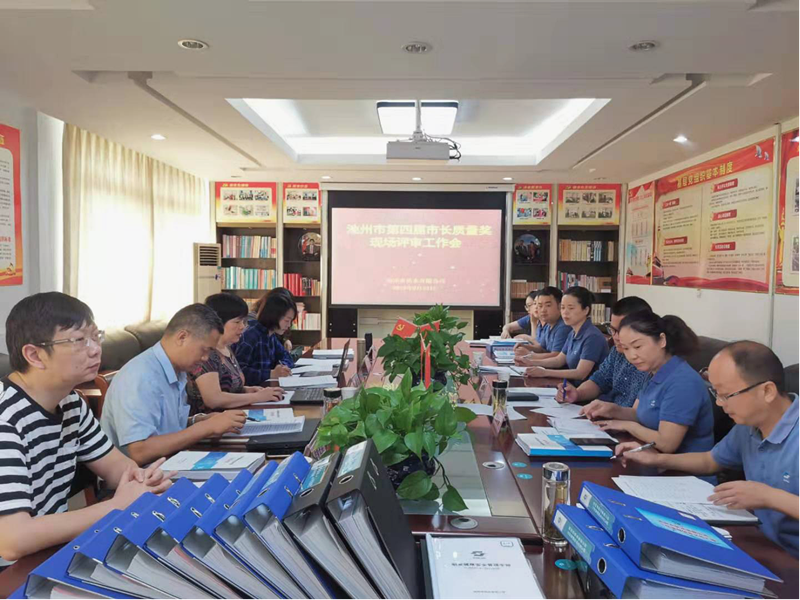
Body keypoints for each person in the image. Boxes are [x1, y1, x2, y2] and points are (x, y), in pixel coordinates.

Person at [0, 293, 173, 562]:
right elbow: (12, 540)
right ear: (34, 355)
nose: (95, 350)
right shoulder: (6, 418)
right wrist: (116, 506)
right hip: (11, 569)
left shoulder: (70, 402)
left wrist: (145, 482)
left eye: (95, 336)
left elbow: (119, 470)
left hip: (48, 553)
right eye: (79, 340)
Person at [616, 341, 800, 558]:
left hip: (790, 559)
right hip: (759, 544)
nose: (719, 404)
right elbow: (710, 460)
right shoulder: (748, 425)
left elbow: (767, 496)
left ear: (767, 391)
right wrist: (658, 459)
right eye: (716, 393)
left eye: (726, 395)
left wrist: (768, 496)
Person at [101, 304, 247, 466]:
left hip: (172, 462)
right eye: (204, 350)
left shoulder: (177, 369)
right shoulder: (141, 377)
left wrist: (200, 420)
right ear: (182, 337)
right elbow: (139, 451)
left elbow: (166, 427)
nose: (206, 358)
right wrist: (206, 428)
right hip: (139, 474)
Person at [582, 310, 713, 455]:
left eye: (637, 346)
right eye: (626, 348)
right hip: (650, 456)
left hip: (680, 467)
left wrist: (628, 426)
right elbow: (640, 414)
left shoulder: (683, 382)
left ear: (662, 340)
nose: (632, 356)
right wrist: (612, 410)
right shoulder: (653, 372)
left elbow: (667, 443)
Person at [186, 293, 284, 415]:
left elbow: (228, 388)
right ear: (218, 322)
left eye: (243, 321)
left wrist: (246, 390)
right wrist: (257, 397)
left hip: (232, 417)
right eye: (237, 322)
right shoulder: (207, 353)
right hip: (210, 422)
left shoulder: (227, 348)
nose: (243, 326)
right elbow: (213, 399)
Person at [556, 296, 652, 407]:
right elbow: (599, 380)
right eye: (612, 330)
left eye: (621, 331)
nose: (615, 337)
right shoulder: (616, 352)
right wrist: (578, 394)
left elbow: (638, 413)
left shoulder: (652, 363)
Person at [518, 286, 610, 383]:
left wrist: (544, 372)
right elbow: (559, 360)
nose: (565, 312)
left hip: (583, 390)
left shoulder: (592, 336)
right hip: (569, 386)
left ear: (585, 310)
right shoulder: (572, 333)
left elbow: (580, 373)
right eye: (562, 307)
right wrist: (530, 362)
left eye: (571, 308)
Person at [234, 292, 296, 385]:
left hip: (266, 388)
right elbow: (238, 372)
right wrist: (271, 374)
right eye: (287, 320)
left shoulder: (271, 335)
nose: (289, 325)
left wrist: (282, 367)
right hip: (252, 391)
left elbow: (286, 356)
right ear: (274, 316)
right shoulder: (250, 336)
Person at [514, 287, 571, 360]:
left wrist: (529, 355)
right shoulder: (548, 325)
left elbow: (556, 356)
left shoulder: (563, 326)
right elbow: (541, 349)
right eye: (540, 306)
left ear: (560, 306)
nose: (543, 310)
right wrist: (525, 347)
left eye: (548, 305)